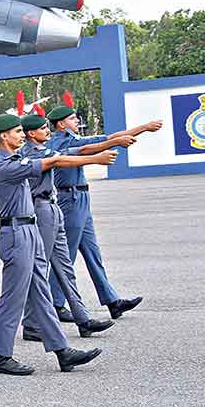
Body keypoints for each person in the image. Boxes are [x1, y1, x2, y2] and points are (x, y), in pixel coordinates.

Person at [0, 114, 110, 375]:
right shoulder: (6, 166)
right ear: (4, 136)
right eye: (17, 131)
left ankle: (63, 352)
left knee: (41, 294)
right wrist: (95, 160)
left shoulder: (10, 161)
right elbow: (55, 160)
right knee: (12, 299)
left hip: (30, 229)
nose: (21, 134)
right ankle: (1, 356)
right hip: (16, 234)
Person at [46, 103, 160, 320]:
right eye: (72, 118)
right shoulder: (59, 141)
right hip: (68, 199)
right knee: (65, 256)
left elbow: (111, 136)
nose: (77, 120)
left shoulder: (73, 137)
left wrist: (144, 128)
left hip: (81, 199)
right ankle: (56, 304)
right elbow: (87, 150)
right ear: (61, 124)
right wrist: (114, 143)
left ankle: (112, 301)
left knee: (93, 253)